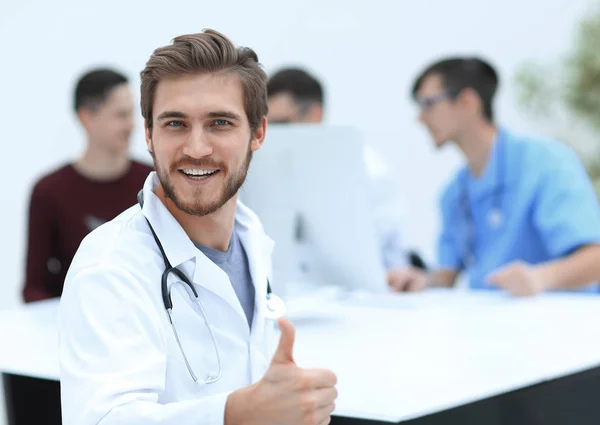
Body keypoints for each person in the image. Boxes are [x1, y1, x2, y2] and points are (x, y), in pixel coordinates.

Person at [58, 29, 337, 425]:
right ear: (149, 134)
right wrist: (236, 413)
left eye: (220, 123)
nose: (196, 148)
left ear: (257, 132)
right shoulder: (110, 266)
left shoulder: (252, 239)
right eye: (175, 124)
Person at [391, 56, 600, 296]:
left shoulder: (546, 162)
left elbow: (595, 259)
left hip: (558, 324)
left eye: (428, 104)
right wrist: (419, 281)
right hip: (491, 325)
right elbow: (446, 277)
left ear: (467, 101)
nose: (420, 119)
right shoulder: (455, 192)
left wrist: (540, 279)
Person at [266, 67, 427, 288]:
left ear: (314, 115)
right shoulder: (271, 175)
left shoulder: (368, 170)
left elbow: (377, 256)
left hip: (370, 299)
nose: (269, 136)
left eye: (281, 124)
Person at [23, 68, 153, 303]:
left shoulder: (153, 182)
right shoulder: (49, 191)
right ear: (87, 118)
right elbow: (34, 287)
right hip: (77, 325)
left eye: (132, 114)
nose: (131, 125)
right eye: (120, 115)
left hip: (148, 321)